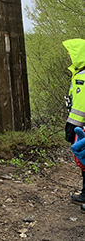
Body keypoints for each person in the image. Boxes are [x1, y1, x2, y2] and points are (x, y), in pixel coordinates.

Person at [63, 38, 85, 205]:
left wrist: (71, 127)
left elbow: (79, 106)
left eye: (71, 54)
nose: (69, 57)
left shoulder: (81, 78)